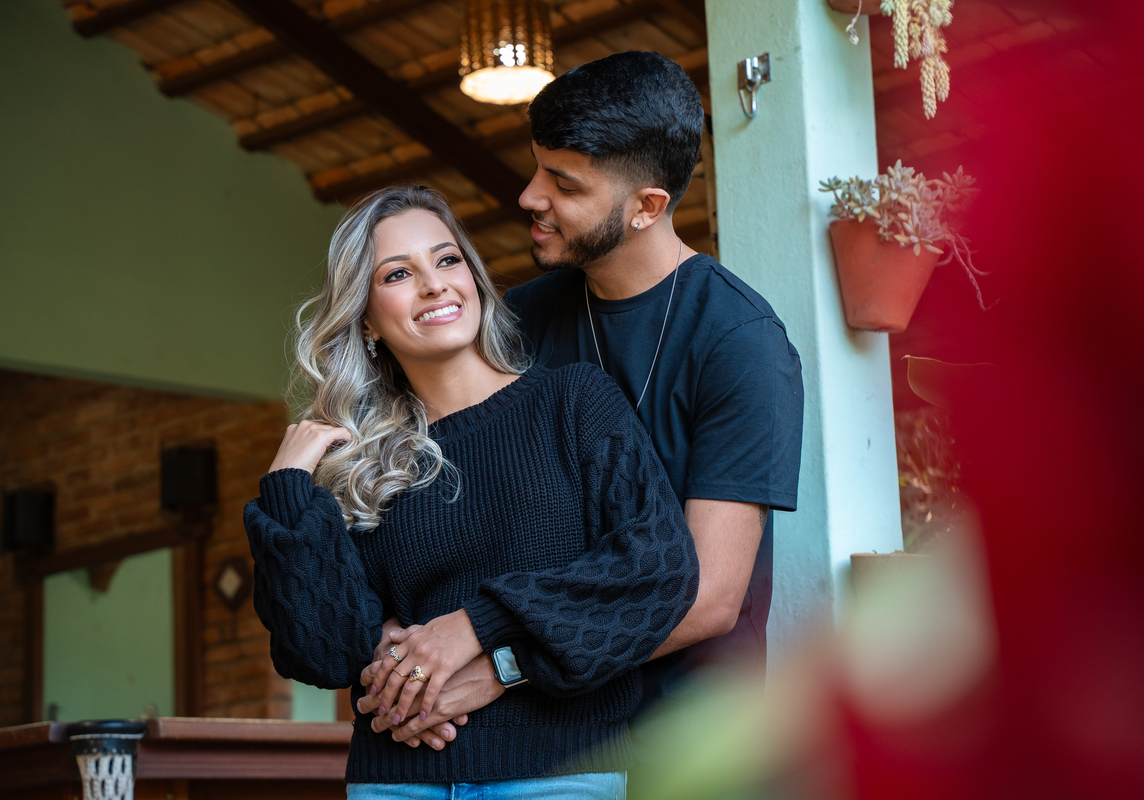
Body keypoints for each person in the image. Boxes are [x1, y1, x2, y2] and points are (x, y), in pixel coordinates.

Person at [366, 50, 804, 753]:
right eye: (538, 166)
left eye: (563, 183)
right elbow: (438, 494)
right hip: (535, 750)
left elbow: (710, 594)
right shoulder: (513, 323)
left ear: (647, 207)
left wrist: (503, 665)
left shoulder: (740, 343)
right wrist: (389, 628)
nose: (529, 196)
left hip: (682, 750)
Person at [243, 184, 700, 797]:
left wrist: (476, 626)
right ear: (366, 319)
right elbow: (324, 654)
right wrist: (289, 487)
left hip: (560, 777)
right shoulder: (360, 465)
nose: (434, 284)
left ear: (475, 280)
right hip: (398, 783)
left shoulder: (573, 404)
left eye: (448, 259)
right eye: (398, 273)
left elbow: (658, 570)